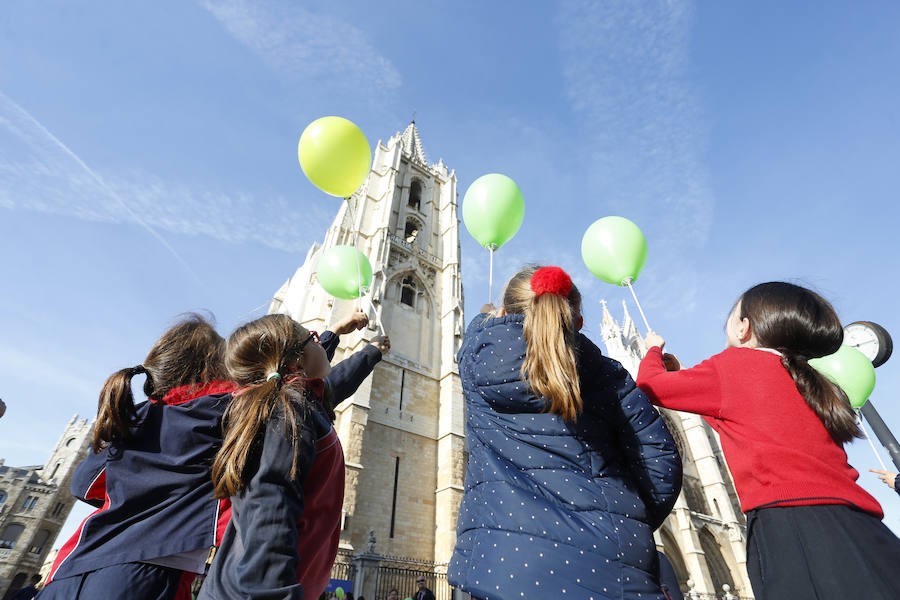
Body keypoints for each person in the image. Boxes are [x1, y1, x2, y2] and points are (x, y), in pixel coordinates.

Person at [638, 281, 900, 599]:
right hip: (863, 526)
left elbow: (650, 383)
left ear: (744, 328)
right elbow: (746, 422)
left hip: (792, 528)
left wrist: (652, 348)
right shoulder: (811, 380)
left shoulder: (732, 366)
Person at [448, 266, 682, 600]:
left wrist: (490, 319)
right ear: (576, 324)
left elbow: (476, 332)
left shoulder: (475, 363)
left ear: (504, 313)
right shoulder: (606, 375)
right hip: (612, 572)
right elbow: (660, 461)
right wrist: (623, 518)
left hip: (503, 571)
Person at [37, 314, 232, 600]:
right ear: (211, 367)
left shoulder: (134, 415)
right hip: (149, 569)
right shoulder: (226, 410)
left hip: (73, 568)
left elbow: (84, 485)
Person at [199, 314, 389, 600]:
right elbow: (269, 514)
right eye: (313, 338)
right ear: (298, 362)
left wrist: (349, 341)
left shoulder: (299, 402)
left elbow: (332, 380)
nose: (319, 340)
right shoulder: (286, 413)